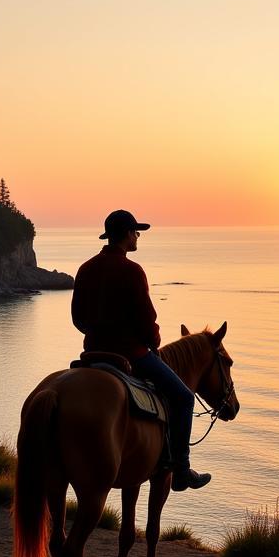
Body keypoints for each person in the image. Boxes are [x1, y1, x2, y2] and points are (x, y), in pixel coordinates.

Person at [71, 209, 211, 491]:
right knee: (184, 398)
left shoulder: (86, 268)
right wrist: (154, 342)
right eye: (136, 232)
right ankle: (181, 471)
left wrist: (98, 335)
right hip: (131, 355)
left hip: (92, 355)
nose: (138, 237)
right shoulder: (132, 271)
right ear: (126, 234)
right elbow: (148, 323)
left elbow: (77, 318)